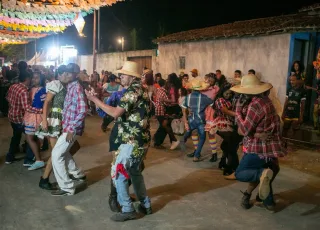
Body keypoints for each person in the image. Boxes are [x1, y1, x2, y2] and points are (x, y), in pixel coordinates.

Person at [86, 61, 152, 222]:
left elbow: (115, 113)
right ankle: (145, 204)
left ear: (131, 76)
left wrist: (95, 100)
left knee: (119, 173)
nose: (120, 76)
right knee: (135, 173)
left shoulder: (132, 91)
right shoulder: (141, 89)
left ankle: (127, 208)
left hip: (131, 140)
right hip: (141, 139)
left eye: (123, 74)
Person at [230, 74, 287, 211]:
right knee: (268, 174)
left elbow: (243, 129)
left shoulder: (255, 105)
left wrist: (237, 113)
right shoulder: (267, 101)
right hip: (271, 147)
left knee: (241, 173)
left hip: (258, 148)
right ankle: (267, 202)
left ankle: (259, 181)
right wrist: (255, 133)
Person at [50, 63, 87, 196]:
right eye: (65, 72)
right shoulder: (71, 87)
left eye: (68, 73)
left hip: (72, 129)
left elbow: (83, 110)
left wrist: (71, 129)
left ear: (73, 75)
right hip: (69, 127)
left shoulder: (76, 87)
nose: (65, 75)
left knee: (56, 155)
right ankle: (77, 174)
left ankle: (66, 187)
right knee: (63, 153)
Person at [5, 70, 41, 166]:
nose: (32, 80)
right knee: (31, 138)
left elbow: (7, 98)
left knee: (16, 136)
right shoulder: (24, 91)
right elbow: (27, 107)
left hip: (11, 116)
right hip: (20, 119)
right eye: (31, 78)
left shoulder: (13, 86)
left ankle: (9, 157)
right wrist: (40, 111)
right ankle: (28, 159)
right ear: (27, 79)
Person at [182, 78, 213, 162]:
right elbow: (212, 103)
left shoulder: (187, 97)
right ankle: (196, 155)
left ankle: (184, 139)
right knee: (202, 137)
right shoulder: (204, 97)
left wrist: (185, 122)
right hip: (201, 121)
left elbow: (184, 110)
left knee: (191, 133)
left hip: (191, 120)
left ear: (192, 88)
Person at [23, 71, 47, 170]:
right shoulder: (32, 89)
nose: (34, 79)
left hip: (35, 115)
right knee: (32, 138)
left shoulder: (42, 90)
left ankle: (38, 159)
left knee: (30, 138)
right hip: (31, 115)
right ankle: (37, 157)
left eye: (37, 78)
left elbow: (42, 105)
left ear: (41, 79)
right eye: (33, 77)